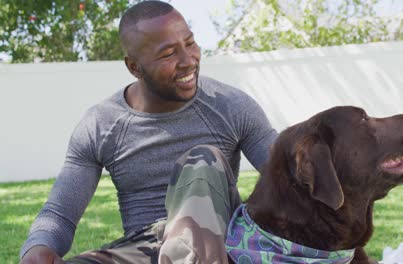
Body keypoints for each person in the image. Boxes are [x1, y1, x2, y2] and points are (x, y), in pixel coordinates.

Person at [20, 1, 278, 263]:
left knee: (201, 160)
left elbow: (288, 178)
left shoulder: (230, 105)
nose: (188, 61)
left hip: (217, 243)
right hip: (145, 247)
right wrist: (37, 246)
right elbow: (61, 212)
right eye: (168, 54)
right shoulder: (101, 124)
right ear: (134, 67)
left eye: (190, 43)